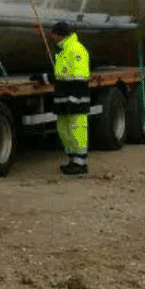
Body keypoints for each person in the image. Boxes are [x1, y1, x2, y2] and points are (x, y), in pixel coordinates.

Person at [46, 20, 94, 176]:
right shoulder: (62, 50)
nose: (51, 37)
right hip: (63, 98)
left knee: (77, 130)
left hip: (76, 100)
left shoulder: (76, 50)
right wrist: (44, 77)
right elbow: (61, 74)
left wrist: (73, 99)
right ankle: (73, 160)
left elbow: (80, 78)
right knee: (64, 129)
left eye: (53, 34)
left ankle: (81, 163)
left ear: (59, 34)